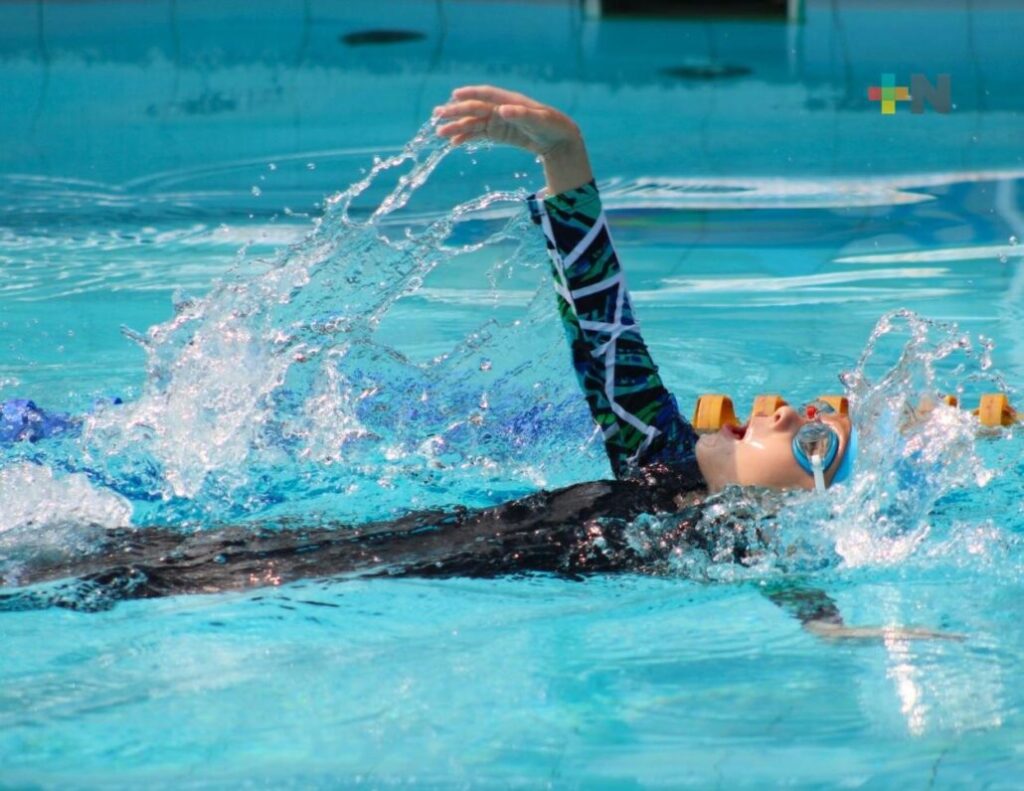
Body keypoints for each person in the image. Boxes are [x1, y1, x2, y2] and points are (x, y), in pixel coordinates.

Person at [5, 86, 954, 640]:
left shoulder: (731, 540)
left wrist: (852, 632)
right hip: (375, 550)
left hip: (353, 585)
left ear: (825, 484)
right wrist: (566, 151)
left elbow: (798, 589)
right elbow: (600, 317)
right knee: (118, 564)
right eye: (807, 402)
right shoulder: (654, 450)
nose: (787, 411)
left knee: (132, 579)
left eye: (823, 429)